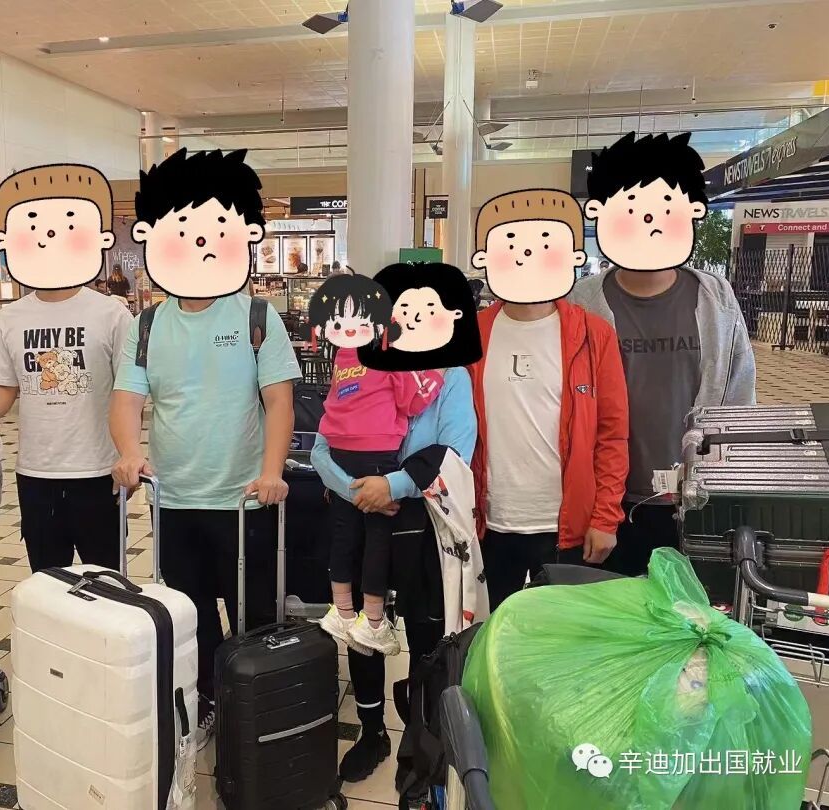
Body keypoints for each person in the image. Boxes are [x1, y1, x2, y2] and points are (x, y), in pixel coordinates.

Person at [111, 148, 300, 748]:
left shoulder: (258, 317)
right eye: (181, 229)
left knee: (254, 612)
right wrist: (128, 451)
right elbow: (126, 401)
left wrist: (272, 471)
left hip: (245, 498)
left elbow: (280, 402)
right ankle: (212, 698)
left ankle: (260, 706)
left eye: (216, 227)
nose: (198, 242)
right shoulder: (146, 326)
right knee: (189, 611)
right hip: (173, 498)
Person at [313, 261, 480, 783]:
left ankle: (423, 735)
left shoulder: (449, 377)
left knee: (427, 635)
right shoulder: (358, 365)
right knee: (364, 629)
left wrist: (393, 486)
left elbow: (455, 452)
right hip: (363, 516)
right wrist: (357, 490)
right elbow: (322, 447)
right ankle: (371, 731)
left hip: (424, 527)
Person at [569, 132, 756, 576]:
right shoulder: (582, 303)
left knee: (688, 609)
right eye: (630, 210)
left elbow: (739, 394)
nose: (647, 222)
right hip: (608, 503)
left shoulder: (714, 298)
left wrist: (727, 479)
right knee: (611, 609)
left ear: (691, 212)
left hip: (694, 498)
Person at [0, 163, 133, 575]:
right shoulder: (11, 318)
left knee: (107, 580)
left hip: (98, 470)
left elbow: (129, 391)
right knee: (47, 581)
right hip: (37, 472)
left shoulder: (111, 313)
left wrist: (130, 453)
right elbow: (3, 388)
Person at [470, 189, 629, 610]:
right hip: (488, 523)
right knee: (492, 633)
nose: (527, 257)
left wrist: (605, 517)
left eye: (543, 245)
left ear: (571, 257)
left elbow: (612, 434)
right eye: (511, 246)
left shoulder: (593, 334)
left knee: (564, 637)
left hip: (567, 526)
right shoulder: (472, 334)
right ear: (486, 258)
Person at [310, 274, 443, 656]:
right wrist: (433, 374)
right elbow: (412, 401)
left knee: (344, 533)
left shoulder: (345, 353)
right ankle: (372, 622)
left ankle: (341, 611)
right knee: (378, 536)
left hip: (340, 449)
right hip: (378, 451)